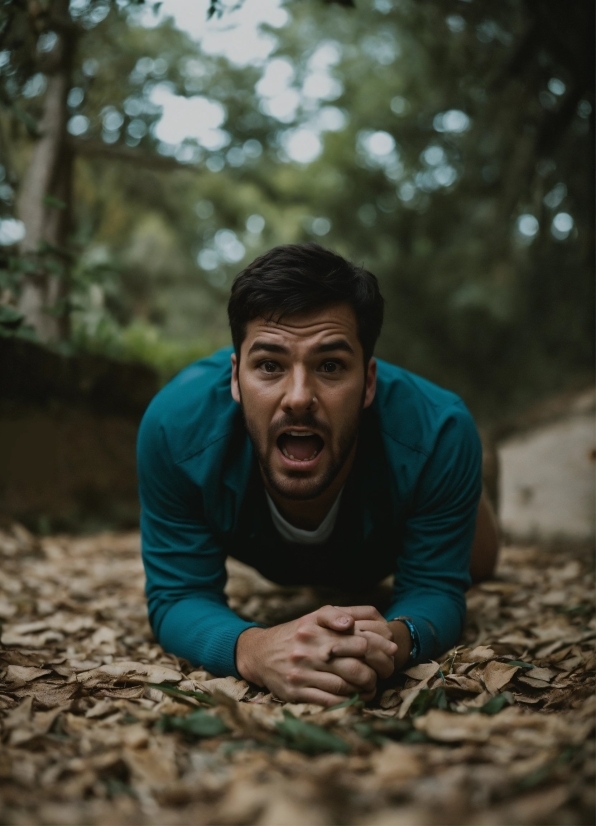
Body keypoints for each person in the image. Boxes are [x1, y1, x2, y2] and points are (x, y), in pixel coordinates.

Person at [137, 243, 499, 707]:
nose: (298, 397)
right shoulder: (175, 430)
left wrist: (391, 640)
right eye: (269, 365)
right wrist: (252, 649)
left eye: (330, 365)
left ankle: (472, 486)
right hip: (299, 532)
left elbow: (434, 588)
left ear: (369, 382)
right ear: (234, 377)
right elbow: (177, 593)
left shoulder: (437, 434)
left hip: (399, 506)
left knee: (480, 564)